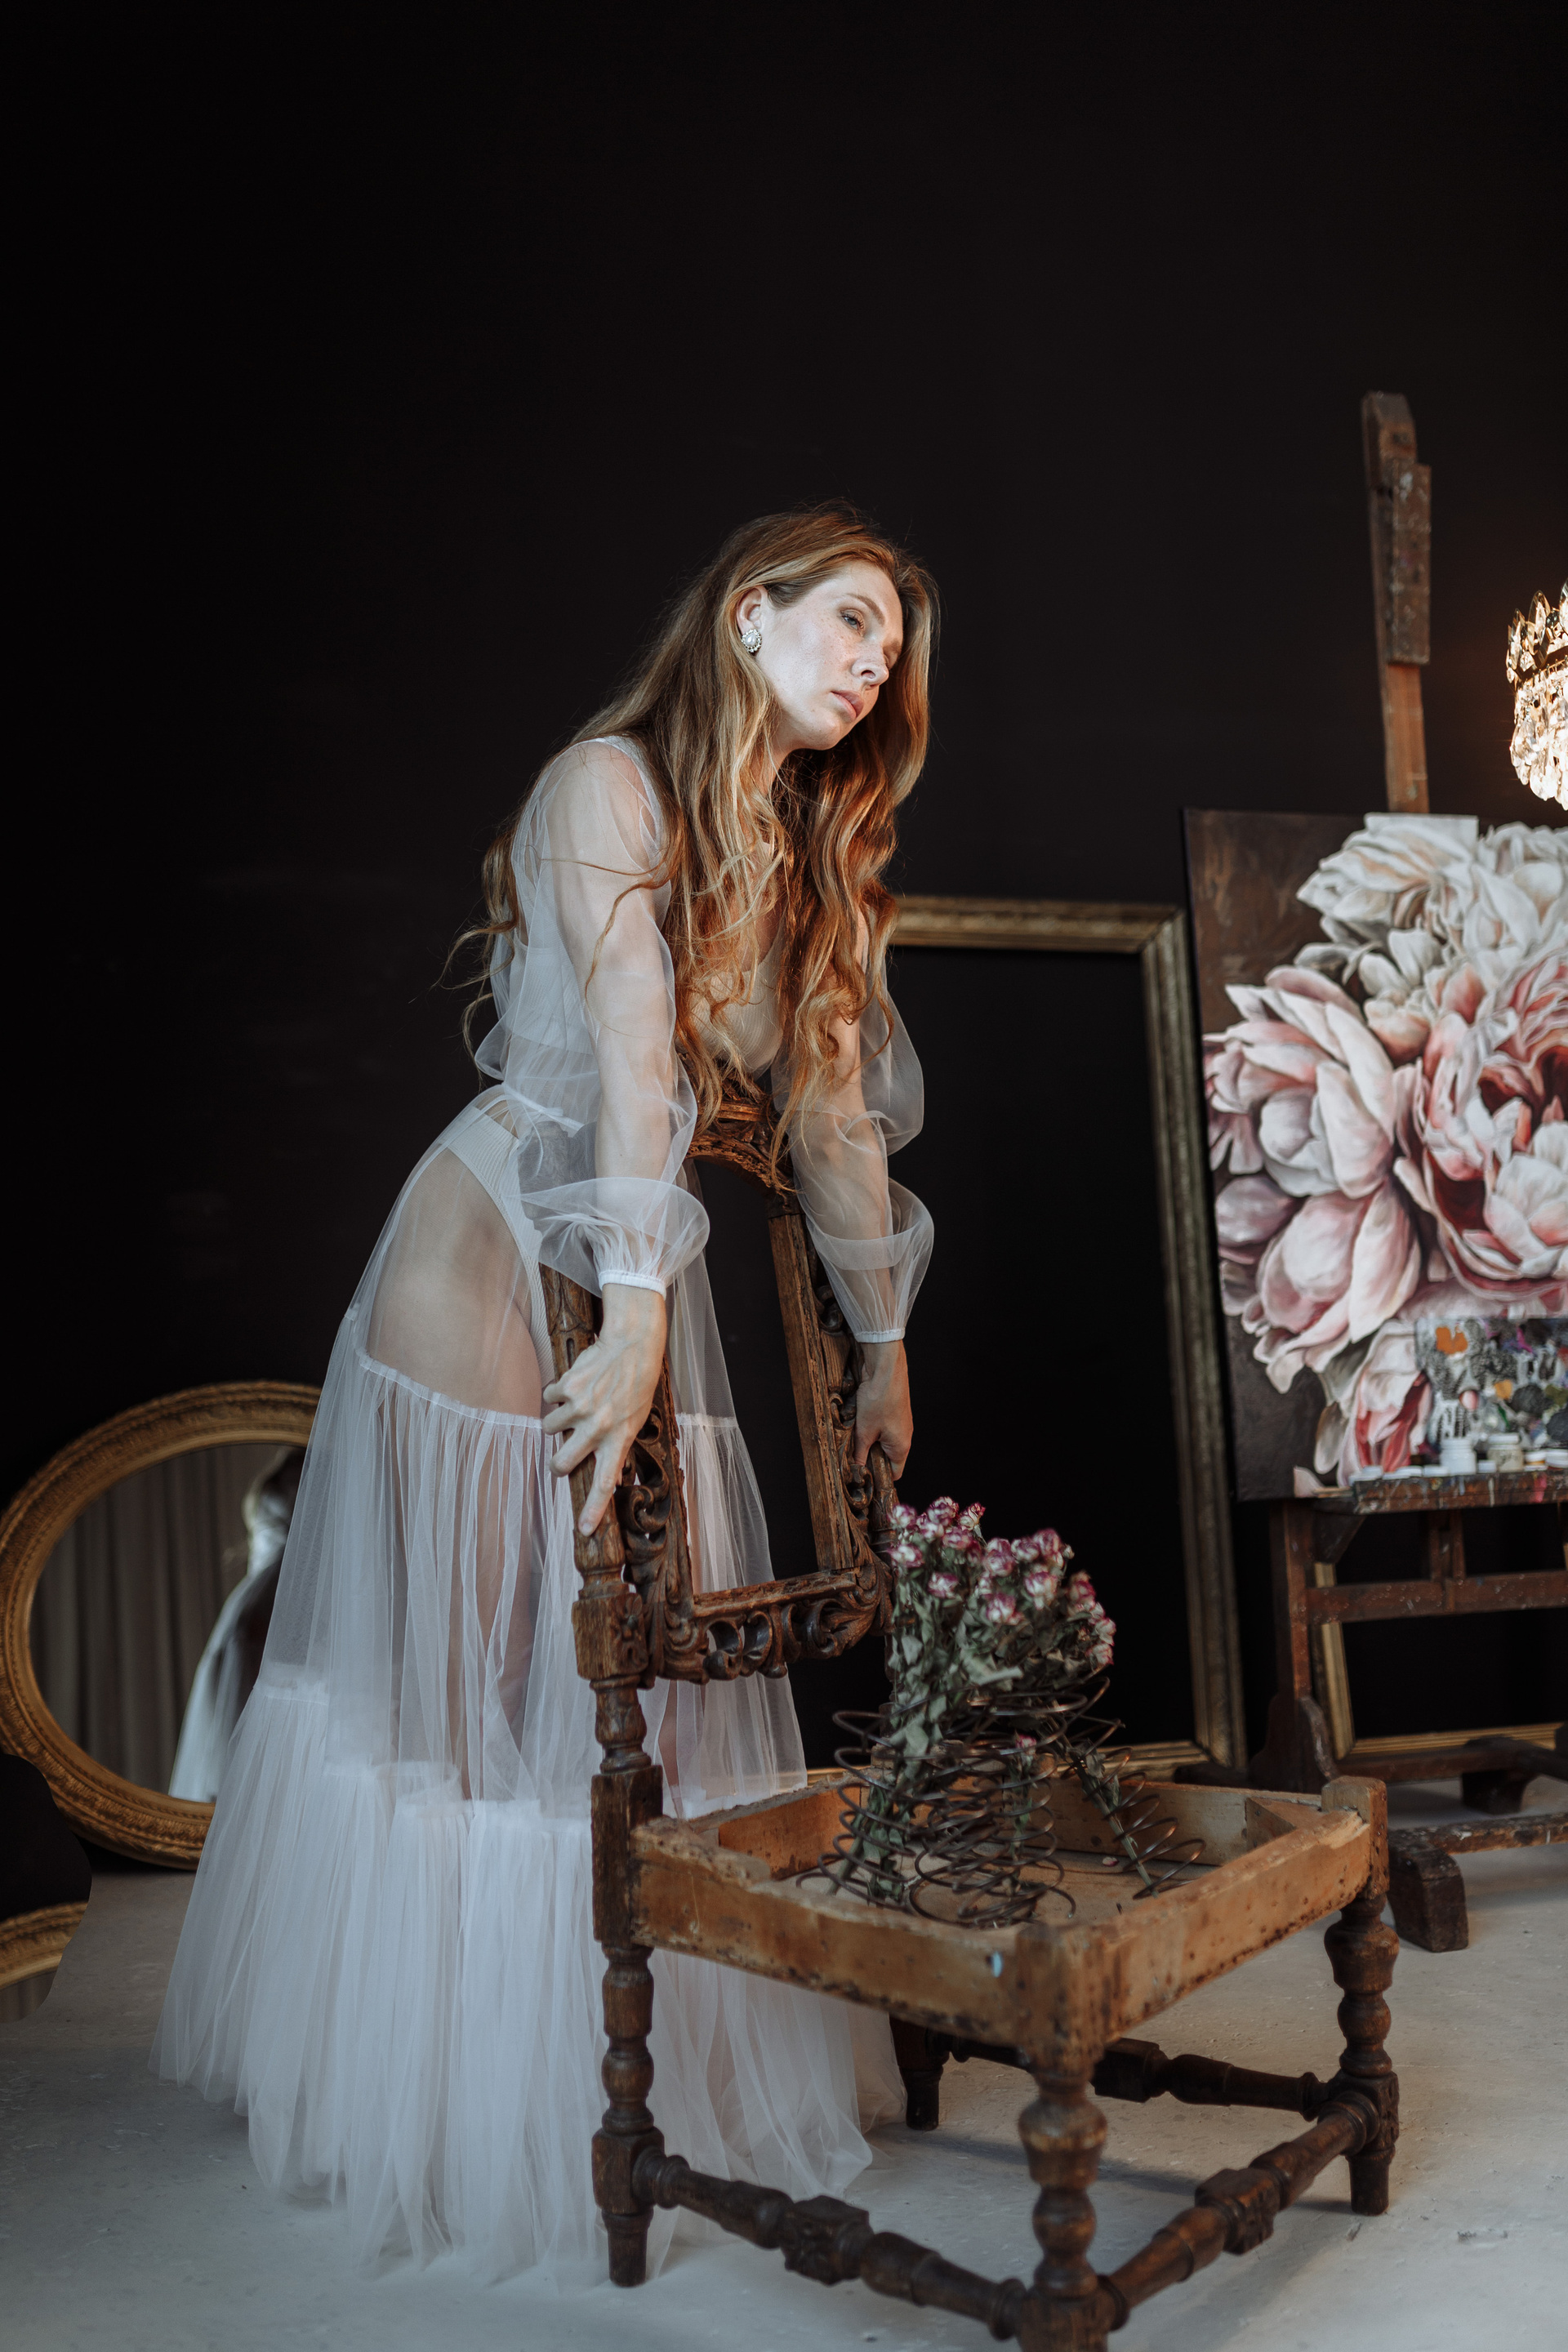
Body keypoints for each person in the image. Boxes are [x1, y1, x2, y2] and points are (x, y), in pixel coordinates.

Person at [153, 506, 938, 2281]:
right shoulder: (609, 787)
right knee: (478, 1677)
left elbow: (830, 1115)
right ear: (749, 617)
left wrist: (884, 1341)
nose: (874, 663)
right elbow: (636, 1045)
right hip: (502, 1232)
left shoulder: (808, 853)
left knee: (639, 1673)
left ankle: (636, 2076)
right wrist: (638, 1309)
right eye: (850, 619)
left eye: (892, 648)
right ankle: (455, 2104)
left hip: (641, 1256)